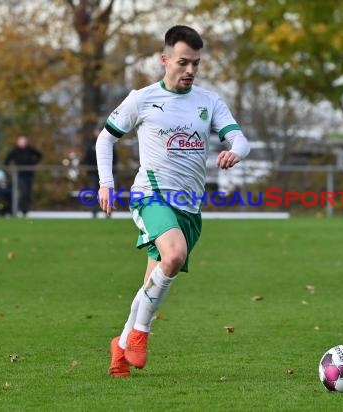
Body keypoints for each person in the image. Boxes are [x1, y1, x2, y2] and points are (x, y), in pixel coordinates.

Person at [96, 25, 250, 377]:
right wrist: (106, 184)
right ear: (165, 60)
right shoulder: (143, 98)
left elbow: (240, 139)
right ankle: (140, 335)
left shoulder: (208, 102)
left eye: (196, 63)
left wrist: (234, 152)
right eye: (183, 62)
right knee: (175, 255)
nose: (190, 71)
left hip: (189, 207)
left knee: (154, 280)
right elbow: (105, 139)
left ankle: (120, 347)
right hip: (151, 195)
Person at [82, 128, 117, 217]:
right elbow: (87, 158)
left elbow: (115, 158)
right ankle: (94, 212)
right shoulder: (91, 145)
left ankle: (108, 212)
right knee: (94, 193)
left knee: (108, 194)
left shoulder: (109, 144)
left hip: (108, 174)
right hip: (93, 173)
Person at [4, 136, 42, 216]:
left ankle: (25, 210)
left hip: (29, 174)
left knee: (28, 193)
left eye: (24, 142)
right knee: (23, 192)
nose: (23, 144)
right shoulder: (15, 151)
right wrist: (9, 170)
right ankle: (20, 209)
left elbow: (39, 155)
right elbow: (7, 160)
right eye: (21, 142)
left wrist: (34, 162)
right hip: (20, 174)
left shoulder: (30, 149)